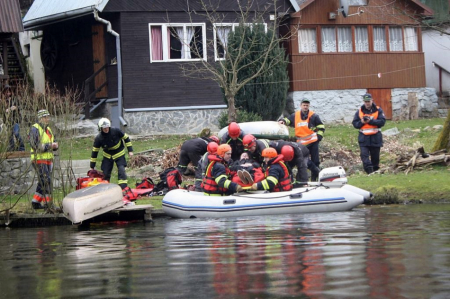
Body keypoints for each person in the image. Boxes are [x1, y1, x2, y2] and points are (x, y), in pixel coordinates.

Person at [279, 98, 325, 181]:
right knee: (305, 161)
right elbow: (288, 120)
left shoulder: (314, 116)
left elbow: (321, 127)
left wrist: (319, 137)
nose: (305, 107)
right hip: (302, 143)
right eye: (304, 105)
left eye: (307, 105)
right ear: (301, 106)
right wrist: (283, 121)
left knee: (315, 161)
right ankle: (317, 173)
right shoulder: (295, 115)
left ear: (309, 106)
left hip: (313, 141)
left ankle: (315, 179)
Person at [90, 118, 134, 194]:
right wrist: (92, 165)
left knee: (121, 171)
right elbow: (95, 152)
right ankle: (106, 190)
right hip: (107, 156)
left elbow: (126, 138)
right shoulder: (99, 138)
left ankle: (123, 189)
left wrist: (130, 150)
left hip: (119, 154)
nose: (106, 129)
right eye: (104, 128)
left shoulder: (116, 131)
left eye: (107, 127)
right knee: (106, 173)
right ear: (101, 128)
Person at [29, 109, 58, 209]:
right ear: (40, 118)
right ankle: (48, 204)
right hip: (39, 159)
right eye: (45, 117)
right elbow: (35, 145)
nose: (47, 119)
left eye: (48, 117)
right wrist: (50, 146)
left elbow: (53, 141)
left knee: (43, 180)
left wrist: (55, 145)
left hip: (48, 159)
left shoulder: (48, 129)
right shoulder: (34, 129)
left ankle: (35, 202)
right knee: (46, 180)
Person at [352, 93, 386, 174]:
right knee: (364, 156)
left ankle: (375, 172)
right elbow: (355, 124)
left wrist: (370, 121)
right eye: (365, 101)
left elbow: (382, 122)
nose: (367, 103)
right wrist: (362, 122)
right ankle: (369, 171)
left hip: (375, 138)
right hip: (364, 138)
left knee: (375, 158)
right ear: (364, 101)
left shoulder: (378, 110)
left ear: (372, 100)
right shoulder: (359, 111)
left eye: (368, 101)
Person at [2, 85, 25, 151]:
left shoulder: (15, 99)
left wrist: (12, 108)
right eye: (6, 92)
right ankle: (12, 148)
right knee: (10, 136)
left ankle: (21, 147)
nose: (8, 94)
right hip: (7, 121)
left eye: (9, 92)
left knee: (16, 133)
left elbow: (18, 107)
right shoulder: (3, 101)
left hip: (15, 120)